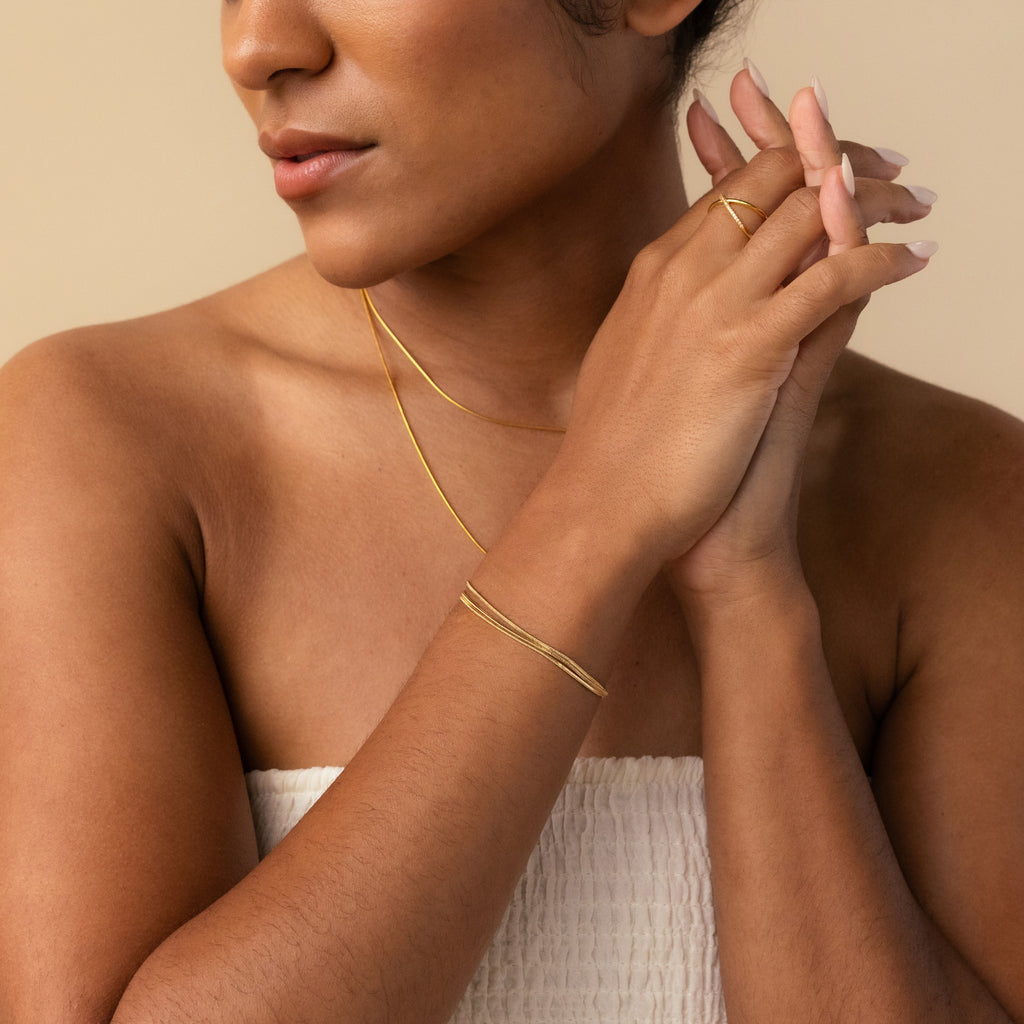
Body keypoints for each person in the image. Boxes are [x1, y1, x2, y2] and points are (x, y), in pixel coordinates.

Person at [1, 0, 1021, 1021]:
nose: (255, 46)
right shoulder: (108, 443)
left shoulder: (958, 498)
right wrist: (596, 511)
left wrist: (748, 590)